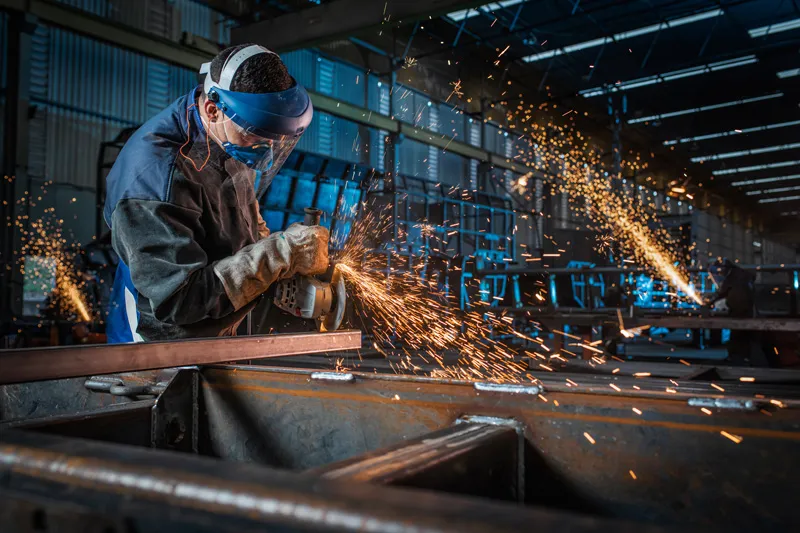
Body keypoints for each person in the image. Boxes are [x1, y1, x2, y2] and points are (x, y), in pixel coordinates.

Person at [104, 44, 329, 342]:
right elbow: (179, 301)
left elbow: (246, 218)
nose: (269, 152)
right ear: (213, 110)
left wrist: (281, 259)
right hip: (160, 348)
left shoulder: (230, 135)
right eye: (259, 138)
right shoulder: (154, 182)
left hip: (220, 333)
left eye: (277, 142)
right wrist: (280, 253)